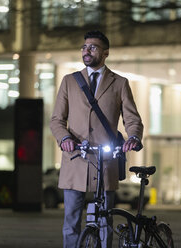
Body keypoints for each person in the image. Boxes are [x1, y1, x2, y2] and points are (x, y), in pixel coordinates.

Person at [50, 30, 144, 248]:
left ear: (105, 52)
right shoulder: (69, 81)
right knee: (71, 222)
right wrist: (64, 138)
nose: (86, 50)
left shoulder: (119, 83)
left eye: (93, 47)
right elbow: (56, 119)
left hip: (106, 161)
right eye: (84, 47)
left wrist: (133, 137)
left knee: (104, 221)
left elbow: (132, 118)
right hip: (75, 159)